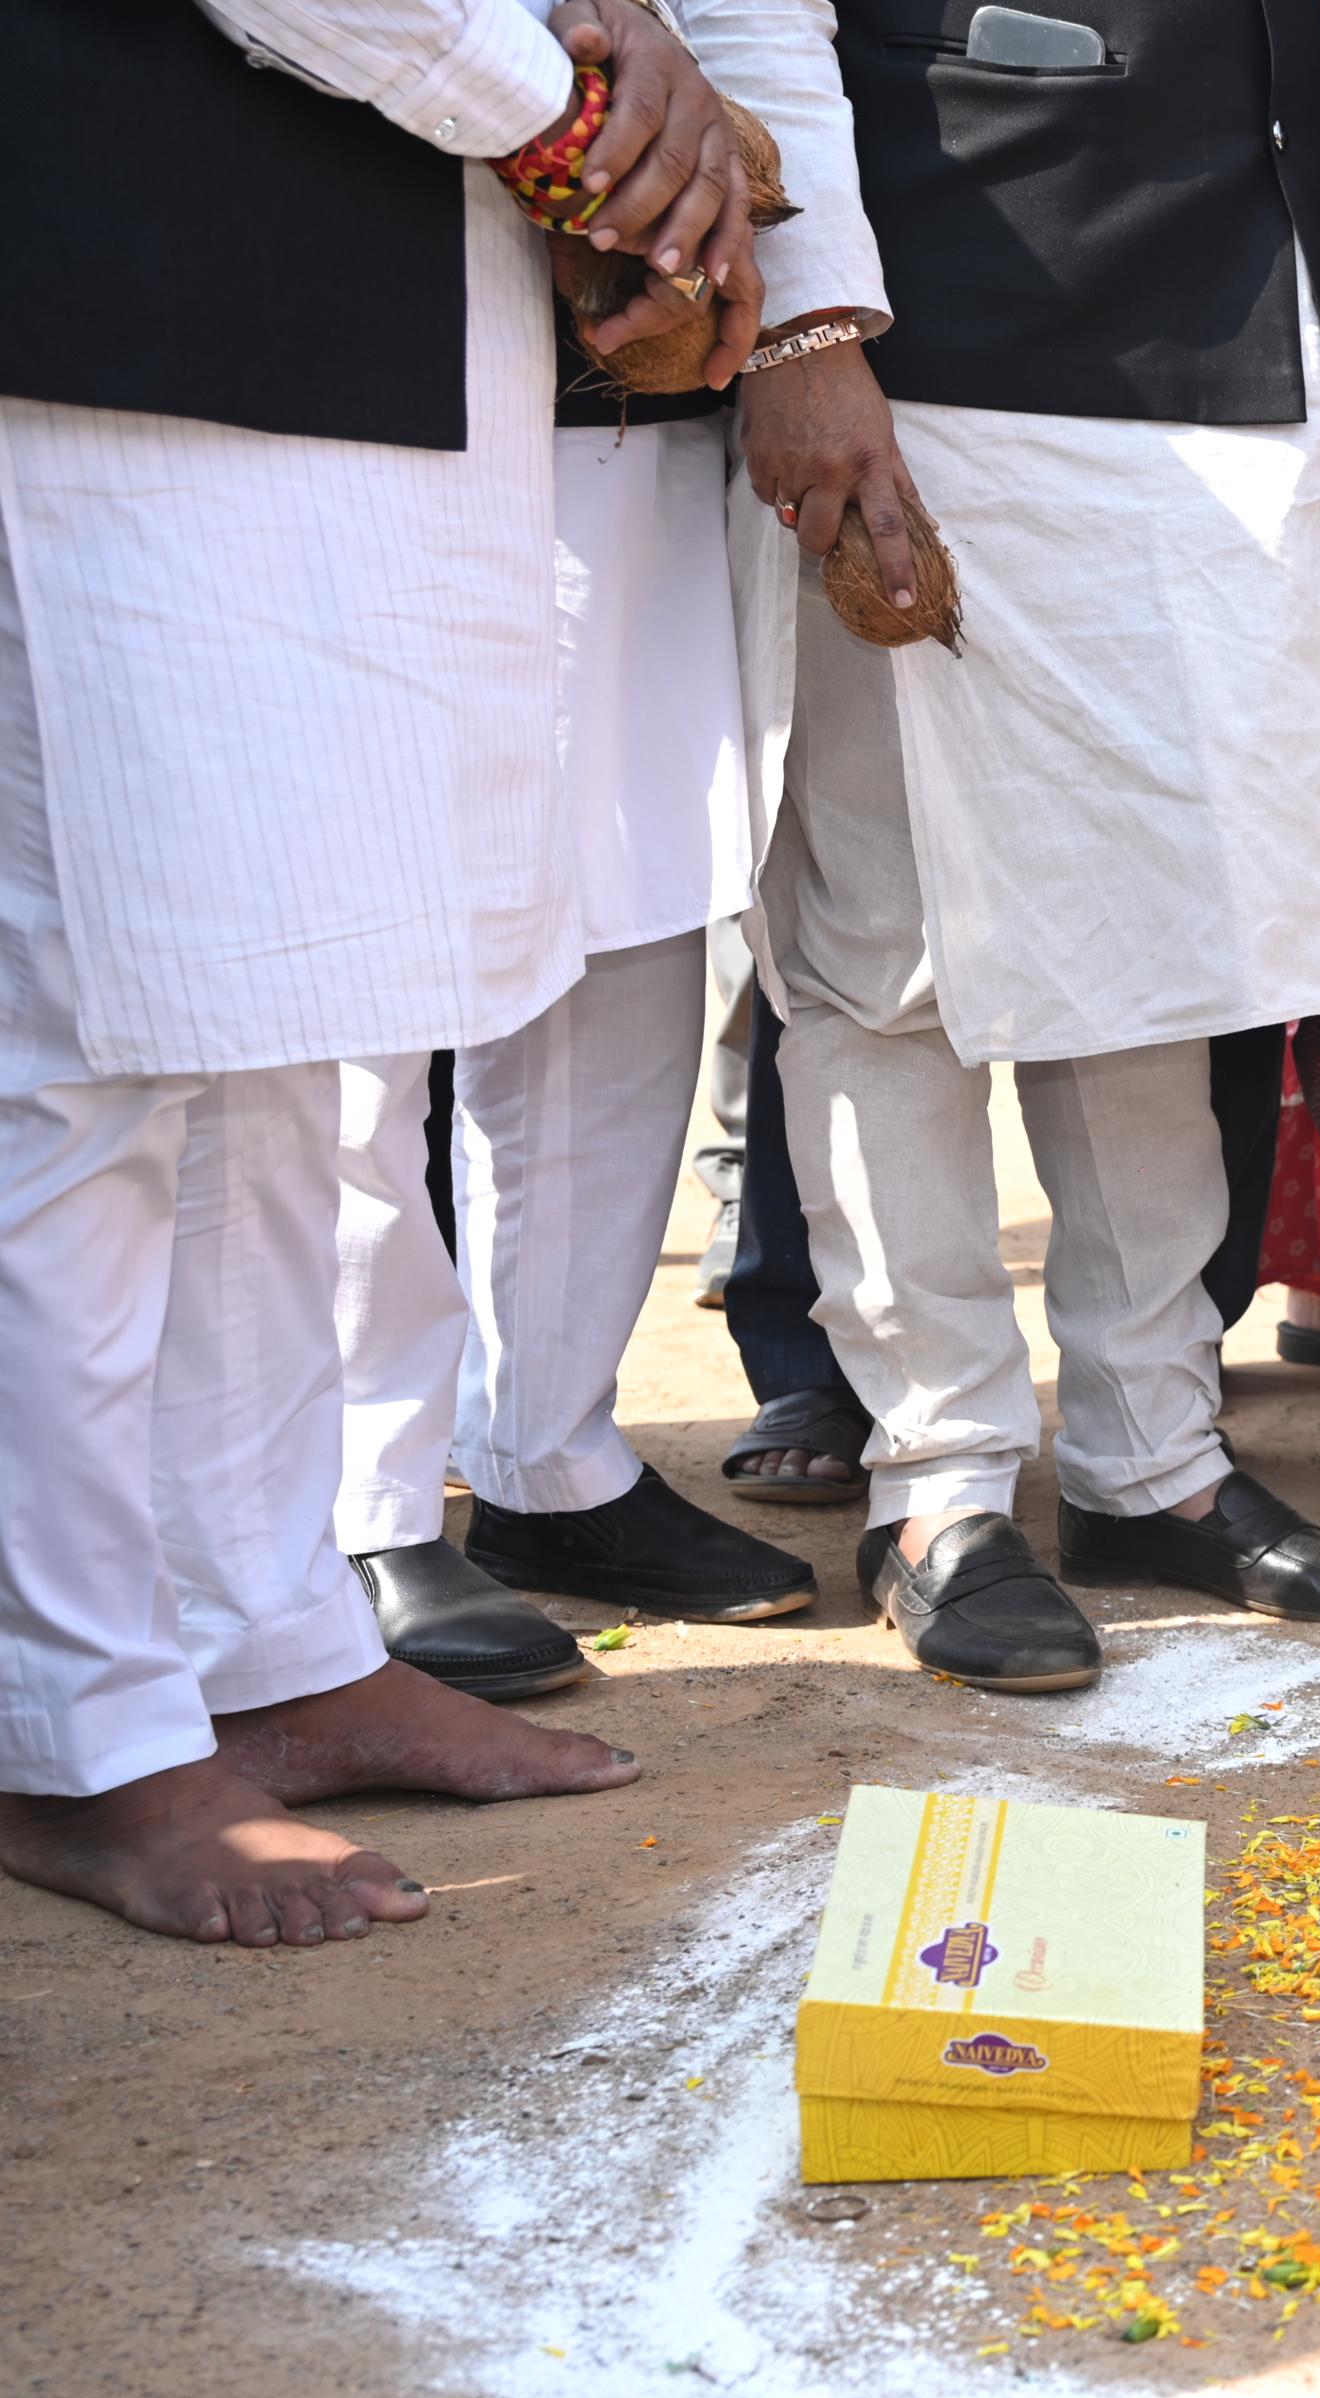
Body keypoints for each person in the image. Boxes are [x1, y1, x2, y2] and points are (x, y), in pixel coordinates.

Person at [0, 0, 762, 1942]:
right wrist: (570, 112)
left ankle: (266, 1643)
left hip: (364, 292)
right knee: (77, 1056)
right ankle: (69, 1730)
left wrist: (608, 92)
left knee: (274, 1026)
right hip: (108, 263)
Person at [744, 0, 1320, 1691]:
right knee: (893, 947)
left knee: (1168, 929)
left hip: (1227, 315)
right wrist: (804, 330)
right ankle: (936, 1485)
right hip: (928, 311)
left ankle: (1156, 1460)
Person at [334, 0, 884, 1700]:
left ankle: (550, 1465)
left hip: (641, 388)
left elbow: (755, 23)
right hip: (347, 315)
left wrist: (796, 316)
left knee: (626, 941)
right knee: (356, 969)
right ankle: (351, 1501)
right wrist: (593, 137)